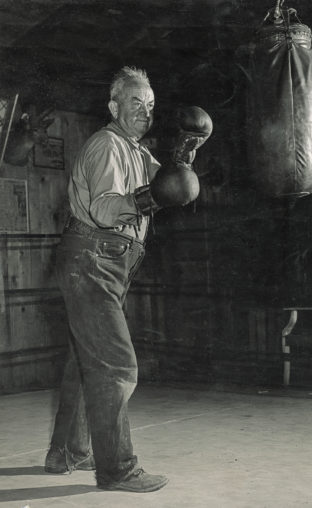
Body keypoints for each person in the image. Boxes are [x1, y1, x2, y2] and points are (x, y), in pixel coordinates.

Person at [44, 66, 212, 493]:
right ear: (114, 105)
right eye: (135, 102)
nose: (144, 111)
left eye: (150, 105)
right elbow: (104, 209)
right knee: (116, 365)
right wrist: (151, 196)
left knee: (87, 361)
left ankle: (67, 452)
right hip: (92, 259)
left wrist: (186, 152)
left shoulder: (137, 152)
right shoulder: (106, 146)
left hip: (107, 263)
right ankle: (117, 469)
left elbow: (171, 181)